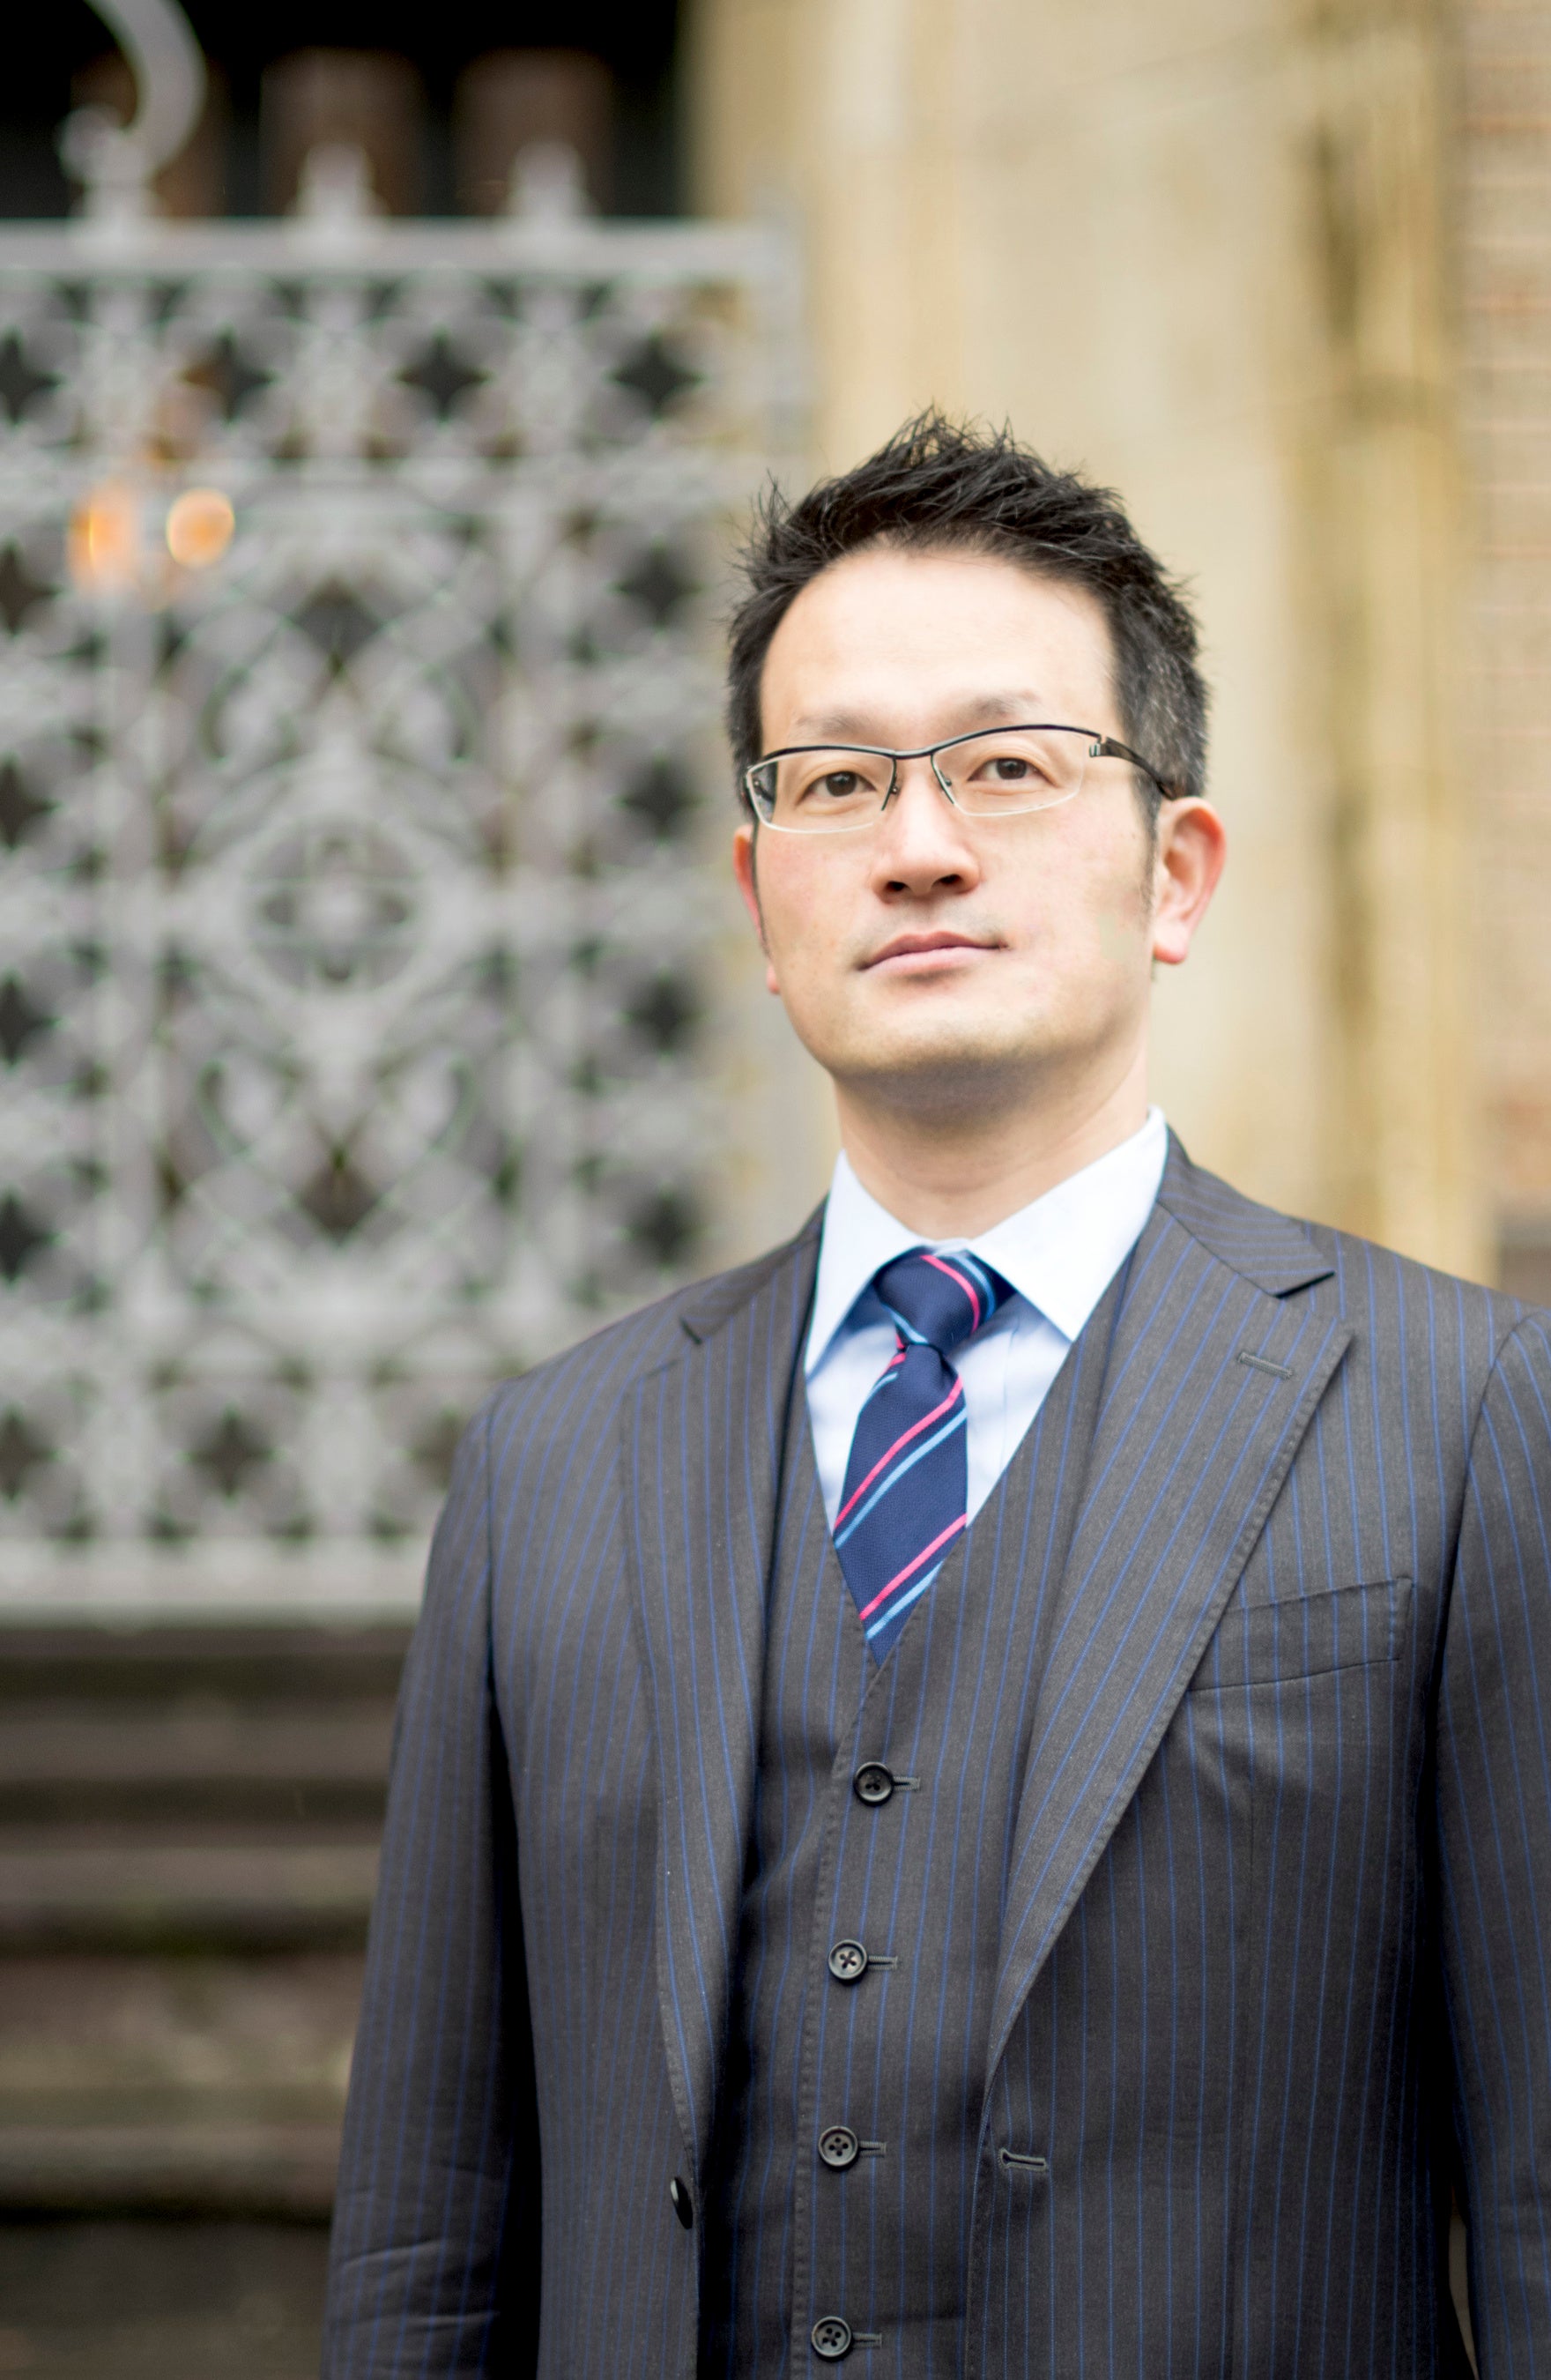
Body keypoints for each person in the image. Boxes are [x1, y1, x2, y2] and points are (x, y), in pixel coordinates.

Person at [322, 415, 1551, 2378]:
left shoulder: (1463, 1414)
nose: (917, 846)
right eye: (836, 782)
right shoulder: (551, 1461)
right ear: (759, 899)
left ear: (1175, 871)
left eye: (1006, 764)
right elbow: (425, 2236)